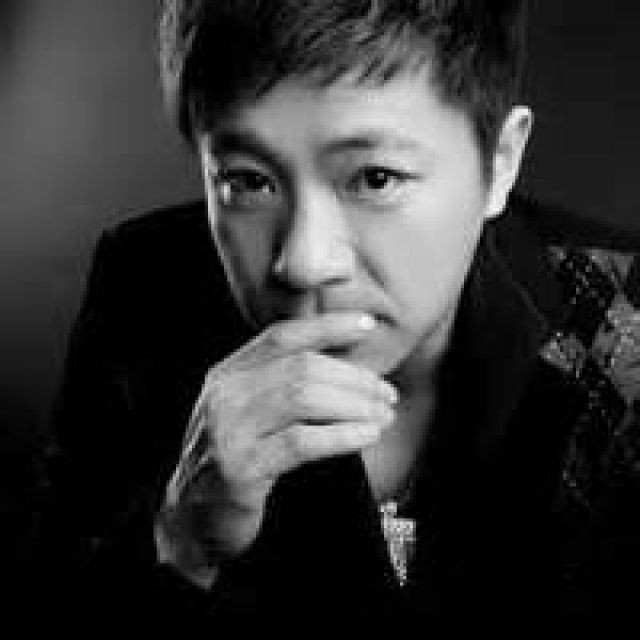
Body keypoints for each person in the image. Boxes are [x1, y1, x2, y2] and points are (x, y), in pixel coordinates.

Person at [41, 0, 640, 631]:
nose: (303, 263)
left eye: (375, 178)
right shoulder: (144, 291)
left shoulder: (625, 319)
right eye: (248, 181)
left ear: (499, 162)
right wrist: (184, 542)